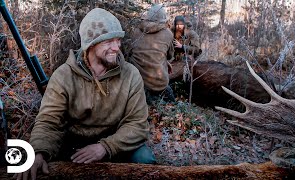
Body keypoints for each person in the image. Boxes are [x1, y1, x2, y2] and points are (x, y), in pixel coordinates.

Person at [15, 8, 155, 180]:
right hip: (73, 143)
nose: (116, 47)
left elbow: (137, 124)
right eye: (108, 41)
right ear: (91, 44)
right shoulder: (63, 76)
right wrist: (38, 152)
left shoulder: (130, 74)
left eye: (118, 40)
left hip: (115, 141)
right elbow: (49, 121)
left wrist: (105, 147)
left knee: (145, 159)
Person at [129, 4, 175, 104]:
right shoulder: (168, 33)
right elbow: (170, 56)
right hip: (159, 84)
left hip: (137, 83)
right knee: (172, 102)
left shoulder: (135, 31)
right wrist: (165, 61)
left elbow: (131, 53)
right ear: (163, 18)